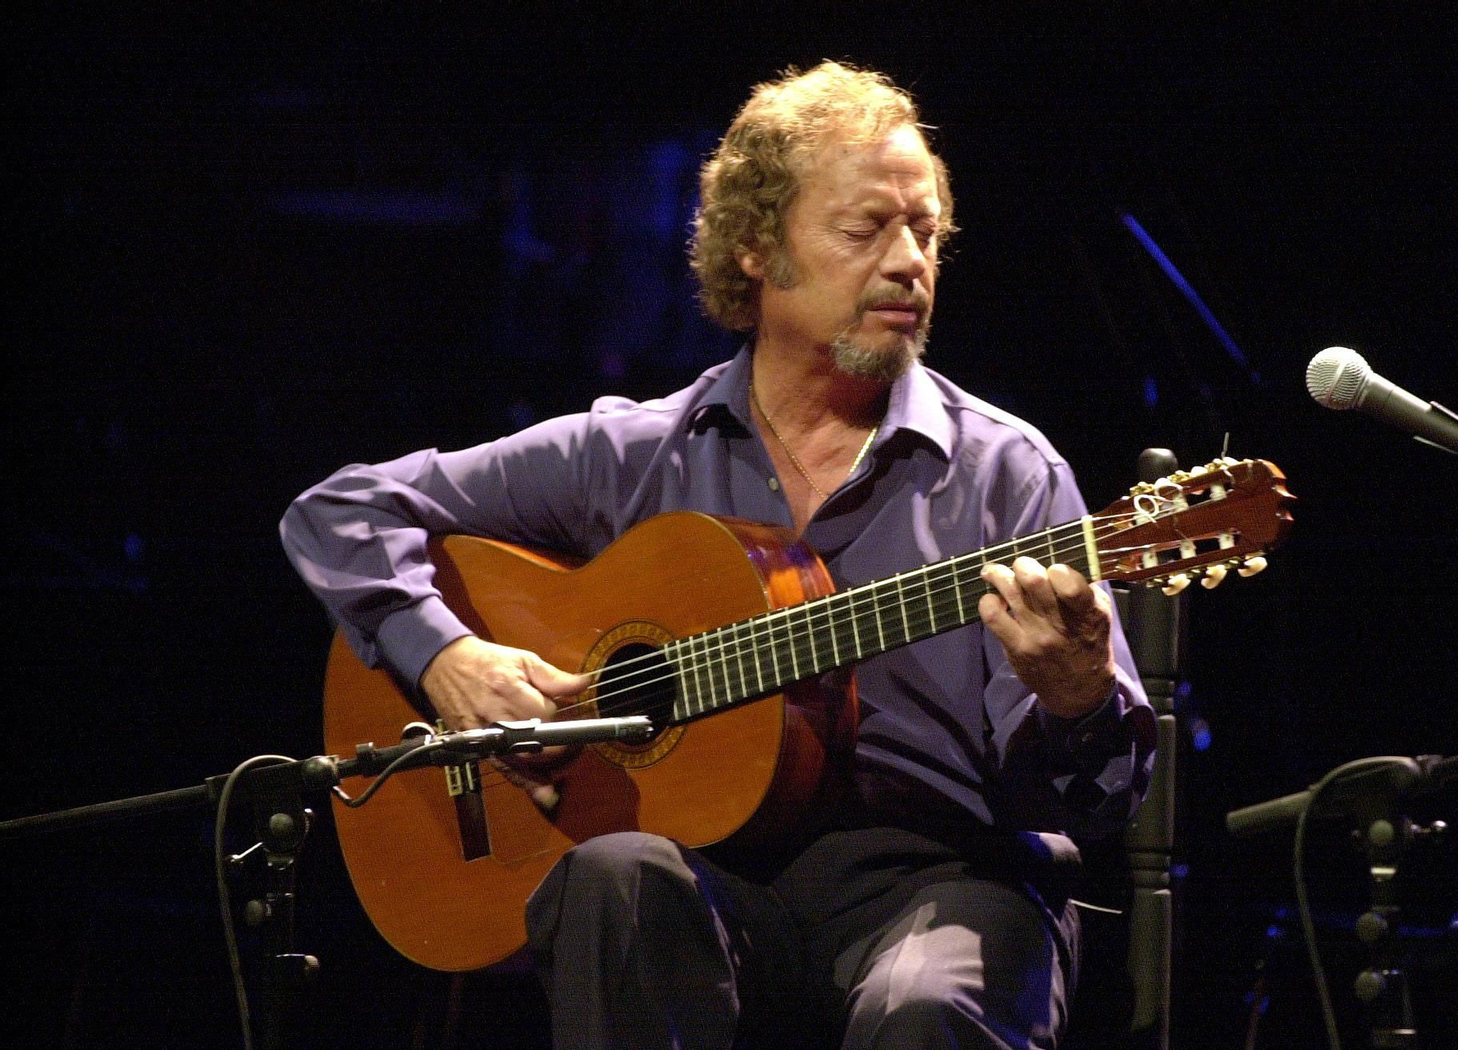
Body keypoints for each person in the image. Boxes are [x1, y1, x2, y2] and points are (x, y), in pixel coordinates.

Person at [282, 61, 1155, 1050]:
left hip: (939, 885)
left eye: (925, 231)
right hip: (707, 886)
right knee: (611, 879)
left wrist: (1078, 697)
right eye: (867, 229)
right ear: (755, 248)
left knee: (924, 1009)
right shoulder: (633, 454)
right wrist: (447, 659)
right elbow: (338, 512)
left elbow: (1085, 807)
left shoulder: (1006, 474)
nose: (910, 261)